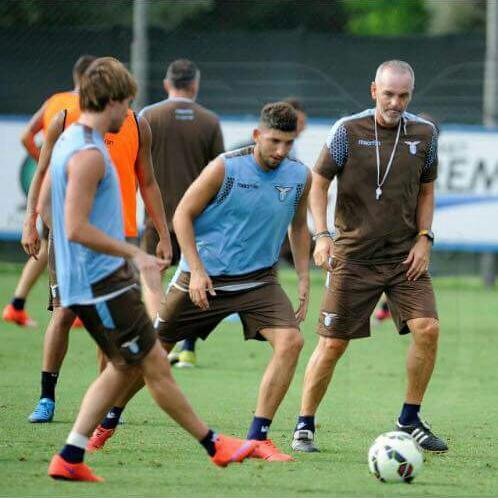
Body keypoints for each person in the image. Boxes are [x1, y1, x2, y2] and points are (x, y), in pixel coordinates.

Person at [39, 56, 255, 482]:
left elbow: (47, 202)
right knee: (152, 363)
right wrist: (133, 254)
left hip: (95, 277)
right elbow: (76, 225)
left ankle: (70, 455)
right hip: (101, 281)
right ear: (113, 100)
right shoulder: (88, 155)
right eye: (128, 104)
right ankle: (214, 444)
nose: (130, 113)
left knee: (128, 364)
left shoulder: (72, 140)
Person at [88, 102, 311, 462]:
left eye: (287, 143)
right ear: (257, 135)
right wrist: (196, 269)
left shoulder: (300, 175)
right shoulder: (225, 168)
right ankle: (107, 421)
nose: (280, 151)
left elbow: (299, 227)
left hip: (258, 280)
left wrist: (303, 277)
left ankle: (259, 438)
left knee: (291, 342)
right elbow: (182, 216)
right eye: (273, 141)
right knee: (151, 356)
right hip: (203, 277)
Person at [291, 60, 448, 454]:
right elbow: (319, 181)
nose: (396, 103)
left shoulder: (425, 134)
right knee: (333, 344)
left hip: (403, 257)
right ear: (373, 91)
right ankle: (304, 424)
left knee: (427, 327)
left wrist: (425, 238)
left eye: (404, 95)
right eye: (389, 94)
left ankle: (409, 419)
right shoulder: (348, 130)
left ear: (411, 95)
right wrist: (322, 235)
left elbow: (427, 191)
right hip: (353, 256)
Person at [24, 73, 171, 425]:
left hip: (119, 238)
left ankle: (104, 402)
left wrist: (163, 233)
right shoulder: (65, 122)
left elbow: (148, 182)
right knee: (64, 313)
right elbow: (42, 171)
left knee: (111, 324)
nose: (127, 105)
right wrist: (34, 221)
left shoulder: (138, 125)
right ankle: (47, 397)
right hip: (71, 236)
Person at [139, 58, 225, 368]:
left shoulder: (148, 116)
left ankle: (158, 339)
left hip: (156, 216)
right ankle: (186, 348)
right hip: (199, 218)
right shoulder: (210, 121)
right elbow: (221, 172)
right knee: (196, 279)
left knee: (152, 276)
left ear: (167, 84)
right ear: (195, 85)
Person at [2, 55, 95, 327]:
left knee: (49, 245)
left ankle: (17, 304)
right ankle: (73, 306)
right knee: (73, 241)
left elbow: (25, 136)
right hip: (75, 185)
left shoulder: (55, 101)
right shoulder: (90, 108)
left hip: (52, 185)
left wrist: (44, 161)